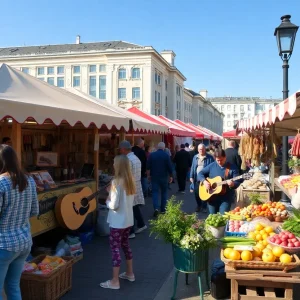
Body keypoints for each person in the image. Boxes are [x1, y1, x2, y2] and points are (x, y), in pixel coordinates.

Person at [0, 145, 39, 298]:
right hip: (24, 242)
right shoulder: (29, 180)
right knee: (13, 285)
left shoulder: (1, 183)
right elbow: (34, 211)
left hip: (4, 244)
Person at [100, 155, 136, 290]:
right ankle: (130, 273)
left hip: (117, 221)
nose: (113, 165)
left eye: (115, 163)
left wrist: (108, 198)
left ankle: (115, 281)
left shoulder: (116, 182)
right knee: (125, 245)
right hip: (127, 220)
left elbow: (114, 205)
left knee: (115, 249)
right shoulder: (130, 180)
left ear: (118, 166)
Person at [198, 149, 241, 214]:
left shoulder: (232, 167)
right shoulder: (212, 166)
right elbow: (200, 173)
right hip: (211, 198)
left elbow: (237, 182)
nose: (219, 162)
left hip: (226, 198)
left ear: (225, 157)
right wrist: (204, 181)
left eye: (221, 160)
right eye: (218, 160)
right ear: (215, 158)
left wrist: (232, 184)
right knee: (212, 218)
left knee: (223, 218)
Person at [119, 141, 147, 239]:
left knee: (128, 209)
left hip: (128, 187)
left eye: (120, 149)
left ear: (123, 149)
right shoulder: (135, 158)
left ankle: (130, 231)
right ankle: (141, 224)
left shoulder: (127, 160)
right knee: (134, 207)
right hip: (135, 185)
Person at [147, 142, 173, 217]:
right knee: (164, 192)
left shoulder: (152, 155)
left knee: (155, 192)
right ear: (164, 148)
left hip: (154, 177)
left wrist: (148, 175)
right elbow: (169, 167)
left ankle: (156, 208)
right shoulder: (166, 155)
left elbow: (148, 166)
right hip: (164, 177)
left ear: (157, 147)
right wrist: (171, 176)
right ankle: (163, 209)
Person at [190, 144, 214, 213]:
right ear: (198, 150)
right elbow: (193, 167)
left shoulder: (209, 157)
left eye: (203, 149)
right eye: (200, 149)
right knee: (196, 193)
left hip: (205, 179)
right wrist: (191, 176)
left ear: (205, 149)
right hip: (196, 178)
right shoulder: (195, 157)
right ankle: (199, 205)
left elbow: (212, 168)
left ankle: (204, 207)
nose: (201, 150)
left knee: (204, 193)